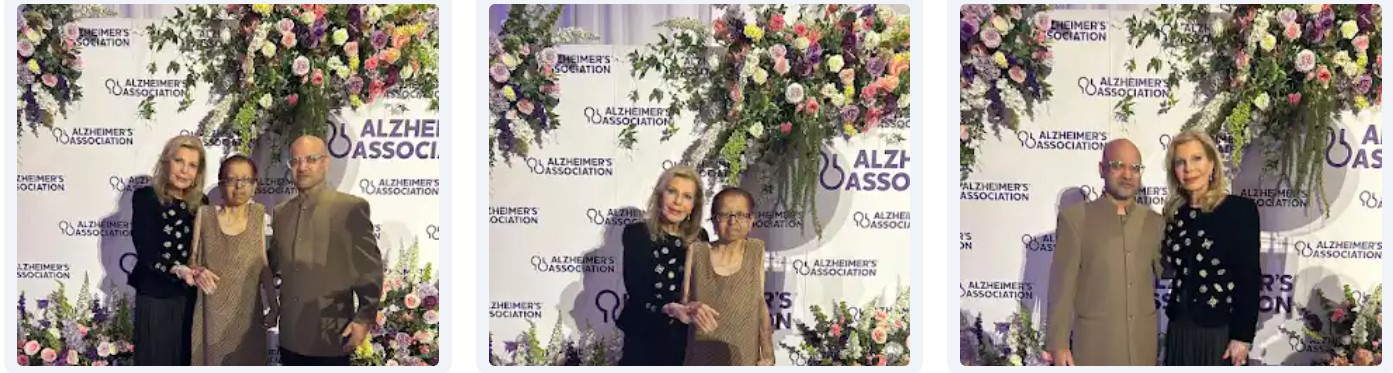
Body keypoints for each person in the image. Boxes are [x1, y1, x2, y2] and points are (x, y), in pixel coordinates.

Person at [1045, 139, 1165, 366]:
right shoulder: (1075, 220)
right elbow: (1061, 287)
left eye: (1134, 168)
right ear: (1102, 169)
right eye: (1118, 165)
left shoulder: (1154, 222)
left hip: (1143, 347)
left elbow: (1168, 273)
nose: (1127, 175)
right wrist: (1058, 343)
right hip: (1095, 347)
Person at [269, 135, 383, 365]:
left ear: (325, 163)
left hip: (331, 336)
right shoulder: (281, 213)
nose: (302, 167)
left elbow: (369, 270)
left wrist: (364, 318)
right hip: (290, 336)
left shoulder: (349, 208)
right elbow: (272, 264)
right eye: (295, 161)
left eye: (311, 159)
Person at [1159, 130, 1260, 366]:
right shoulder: (1174, 214)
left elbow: (1249, 278)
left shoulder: (1239, 211)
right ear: (1174, 171)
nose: (1189, 169)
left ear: (1212, 163)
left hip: (1219, 332)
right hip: (1179, 329)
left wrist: (1242, 337)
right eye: (1180, 162)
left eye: (1197, 158)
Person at [616, 165, 714, 366]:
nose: (678, 202)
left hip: (685, 341)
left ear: (694, 205)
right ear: (660, 195)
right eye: (672, 192)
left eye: (687, 196)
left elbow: (701, 287)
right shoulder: (637, 233)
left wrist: (696, 306)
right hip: (644, 337)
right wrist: (671, 309)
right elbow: (638, 290)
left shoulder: (700, 238)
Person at [186, 155, 279, 365]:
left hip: (247, 318)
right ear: (221, 184)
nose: (239, 186)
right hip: (211, 316)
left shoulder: (258, 215)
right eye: (231, 180)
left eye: (246, 180)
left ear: (254, 185)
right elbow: (192, 261)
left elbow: (263, 264)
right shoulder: (205, 215)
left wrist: (274, 306)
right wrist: (197, 271)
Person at [129, 134, 209, 366]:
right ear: (166, 162)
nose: (184, 171)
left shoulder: (202, 203)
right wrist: (175, 269)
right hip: (155, 296)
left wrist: (200, 269)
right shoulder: (145, 197)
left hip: (189, 298)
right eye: (179, 161)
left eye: (192, 165)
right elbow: (145, 249)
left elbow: (204, 249)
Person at [678, 187, 774, 366]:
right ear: (714, 220)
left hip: (744, 356)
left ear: (751, 220)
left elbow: (759, 303)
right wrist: (689, 309)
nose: (732, 221)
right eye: (724, 215)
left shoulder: (756, 250)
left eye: (741, 214)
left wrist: (767, 351)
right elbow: (684, 302)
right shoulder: (697, 251)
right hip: (701, 355)